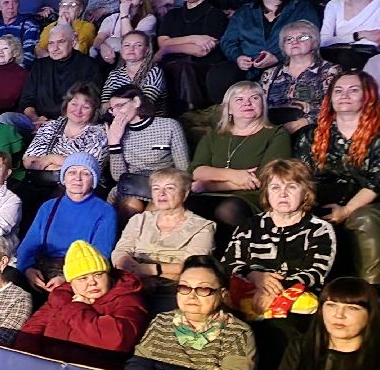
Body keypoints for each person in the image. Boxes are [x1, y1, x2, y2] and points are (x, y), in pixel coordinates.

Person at [124, 255, 256, 370]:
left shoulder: (237, 332)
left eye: (203, 289)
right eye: (184, 287)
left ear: (222, 294)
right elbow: (139, 364)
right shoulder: (162, 321)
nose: (191, 296)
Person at [222, 158, 336, 320]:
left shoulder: (319, 229)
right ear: (267, 194)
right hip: (248, 292)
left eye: (291, 187)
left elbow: (315, 273)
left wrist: (277, 292)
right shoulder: (250, 225)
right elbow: (228, 263)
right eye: (275, 187)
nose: (283, 194)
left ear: (306, 192)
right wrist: (253, 275)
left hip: (297, 302)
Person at [296, 72, 380, 285]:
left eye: (354, 90)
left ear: (367, 96)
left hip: (368, 201)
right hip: (321, 197)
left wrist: (347, 211)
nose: (344, 95)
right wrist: (309, 203)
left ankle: (370, 290)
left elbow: (376, 182)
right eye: (338, 91)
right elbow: (301, 176)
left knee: (364, 219)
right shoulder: (312, 134)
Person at [15, 239, 148, 369]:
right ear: (71, 282)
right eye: (83, 278)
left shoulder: (127, 298)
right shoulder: (61, 296)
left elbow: (115, 341)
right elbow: (32, 330)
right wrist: (29, 363)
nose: (92, 282)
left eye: (98, 274)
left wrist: (78, 309)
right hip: (48, 369)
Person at [271, 278, 380, 370]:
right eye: (331, 305)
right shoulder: (300, 346)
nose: (339, 315)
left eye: (352, 308)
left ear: (370, 314)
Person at [190, 80, 293, 227]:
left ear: (262, 105)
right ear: (229, 109)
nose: (247, 103)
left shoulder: (277, 133)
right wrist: (234, 175)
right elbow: (196, 171)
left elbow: (263, 178)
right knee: (189, 206)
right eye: (239, 99)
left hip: (254, 196)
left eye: (254, 98)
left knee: (228, 210)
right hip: (209, 194)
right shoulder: (214, 135)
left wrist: (210, 185)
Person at [112, 168, 216, 309]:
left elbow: (193, 266)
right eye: (156, 189)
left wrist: (147, 270)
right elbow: (120, 252)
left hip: (176, 291)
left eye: (169, 188)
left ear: (185, 194)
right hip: (133, 284)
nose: (161, 194)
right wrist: (138, 276)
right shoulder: (139, 219)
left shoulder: (202, 226)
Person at [15, 152, 118, 291]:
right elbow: (29, 244)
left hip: (81, 272)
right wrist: (28, 269)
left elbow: (100, 254)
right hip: (43, 267)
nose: (78, 178)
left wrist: (68, 278)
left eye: (85, 173)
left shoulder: (105, 211)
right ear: (64, 177)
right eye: (72, 172)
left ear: (93, 180)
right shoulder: (49, 206)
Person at [104, 85, 189, 218]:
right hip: (132, 186)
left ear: (136, 102)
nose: (116, 112)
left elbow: (183, 168)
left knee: (153, 211)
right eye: (112, 109)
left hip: (162, 184)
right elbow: (118, 177)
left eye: (120, 106)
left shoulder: (169, 126)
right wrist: (114, 143)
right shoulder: (116, 131)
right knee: (131, 207)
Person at [220, 0, 318, 78]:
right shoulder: (244, 12)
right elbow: (228, 41)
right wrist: (238, 57)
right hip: (248, 70)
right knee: (221, 73)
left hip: (287, 65)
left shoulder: (302, 8)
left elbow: (310, 38)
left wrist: (277, 57)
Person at [156, 0, 234, 110]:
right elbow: (162, 43)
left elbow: (200, 50)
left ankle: (191, 112)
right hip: (171, 64)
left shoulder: (216, 15)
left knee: (183, 67)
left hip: (201, 66)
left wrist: (169, 47)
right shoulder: (172, 15)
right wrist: (194, 38)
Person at [15, 22, 105, 128]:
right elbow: (27, 101)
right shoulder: (39, 66)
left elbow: (89, 103)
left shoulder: (89, 66)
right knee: (7, 118)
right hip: (37, 121)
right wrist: (36, 119)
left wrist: (54, 124)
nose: (55, 48)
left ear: (73, 41)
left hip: (71, 123)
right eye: (51, 43)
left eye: (61, 42)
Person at [21, 82, 107, 184]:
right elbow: (29, 161)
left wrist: (50, 159)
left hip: (79, 188)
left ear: (94, 111)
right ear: (66, 105)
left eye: (86, 107)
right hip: (40, 183)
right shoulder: (50, 126)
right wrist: (62, 167)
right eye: (74, 104)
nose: (78, 111)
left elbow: (88, 169)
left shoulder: (100, 134)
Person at [320, 0, 380, 68]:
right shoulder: (334, 5)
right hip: (337, 54)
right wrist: (359, 35)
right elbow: (324, 41)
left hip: (372, 55)